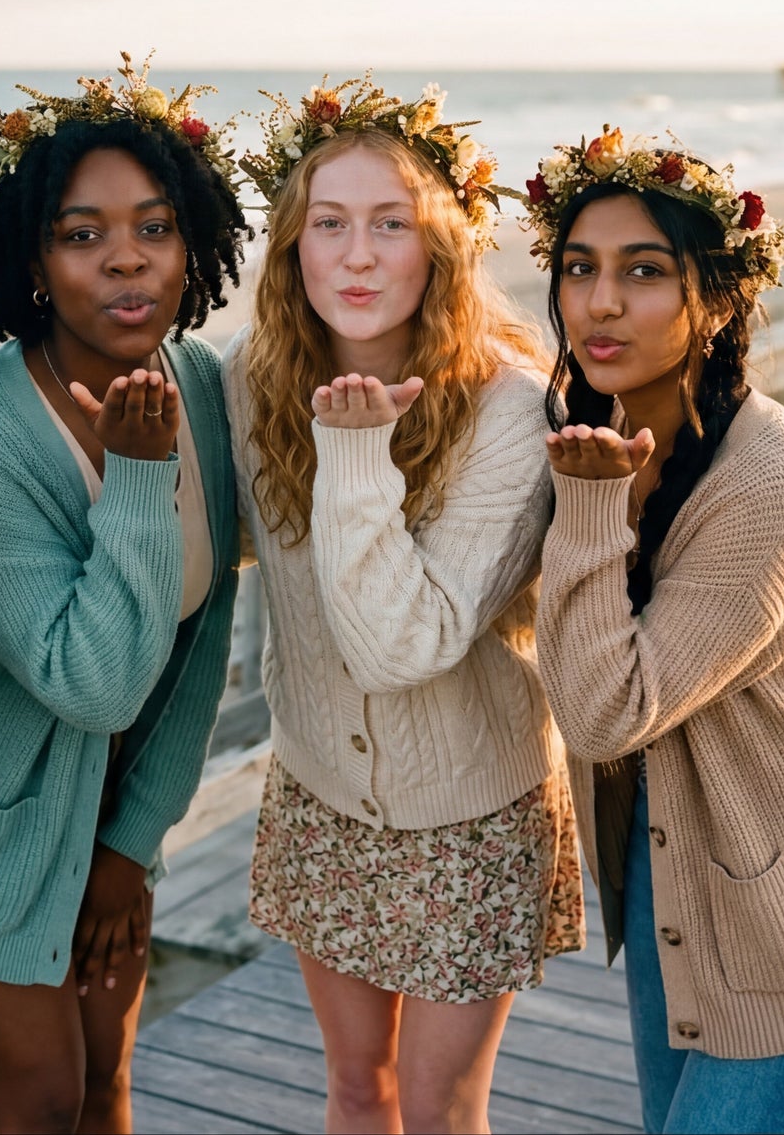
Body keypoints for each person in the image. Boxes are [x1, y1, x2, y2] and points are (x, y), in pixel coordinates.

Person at [0, 55, 249, 1134]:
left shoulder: (200, 385)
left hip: (108, 815)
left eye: (154, 227)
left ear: (192, 243)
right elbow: (95, 682)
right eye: (81, 235)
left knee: (105, 1074)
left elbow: (199, 637)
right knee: (35, 1097)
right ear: (32, 258)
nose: (125, 259)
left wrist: (127, 848)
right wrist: (134, 471)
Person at [523, 128, 784, 1134]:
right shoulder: (611, 431)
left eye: (643, 271)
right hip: (682, 872)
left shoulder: (766, 484)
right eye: (578, 267)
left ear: (713, 300)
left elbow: (606, 711)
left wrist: (584, 510)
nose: (600, 300)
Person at [224, 78, 584, 1135]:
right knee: (352, 1092)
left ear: (439, 248)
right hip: (319, 795)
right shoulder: (250, 382)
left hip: (469, 811)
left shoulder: (507, 407)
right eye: (327, 225)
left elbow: (401, 643)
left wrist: (349, 447)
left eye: (390, 224)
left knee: (434, 1109)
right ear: (292, 247)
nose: (358, 254)